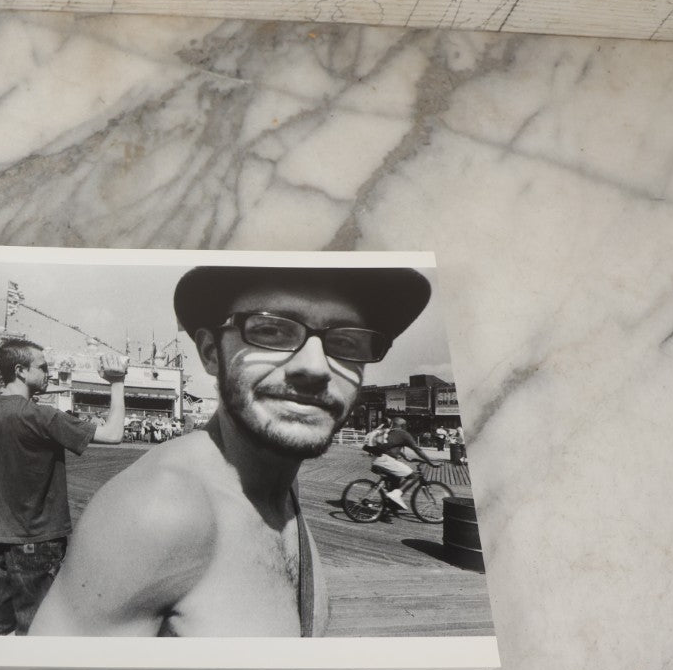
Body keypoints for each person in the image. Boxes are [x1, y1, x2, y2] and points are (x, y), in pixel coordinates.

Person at [33, 263, 431, 638]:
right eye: (271, 330)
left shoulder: (280, 486)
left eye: (345, 341)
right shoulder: (156, 510)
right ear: (211, 353)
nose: (314, 367)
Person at [0, 340, 128, 635]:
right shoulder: (40, 416)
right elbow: (114, 434)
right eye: (42, 367)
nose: (49, 373)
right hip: (38, 543)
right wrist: (117, 382)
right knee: (40, 635)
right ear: (20, 370)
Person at [363, 416, 438, 511]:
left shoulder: (388, 432)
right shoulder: (403, 434)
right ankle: (395, 495)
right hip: (385, 461)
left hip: (376, 460)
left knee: (396, 479)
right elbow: (417, 449)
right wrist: (430, 462)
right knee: (413, 476)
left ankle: (390, 506)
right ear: (403, 426)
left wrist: (404, 456)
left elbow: (390, 446)